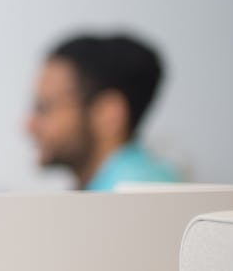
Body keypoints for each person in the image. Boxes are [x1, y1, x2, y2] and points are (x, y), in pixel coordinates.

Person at [26, 33, 180, 190]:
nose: (29, 125)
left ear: (109, 114)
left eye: (44, 108)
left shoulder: (140, 196)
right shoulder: (109, 192)